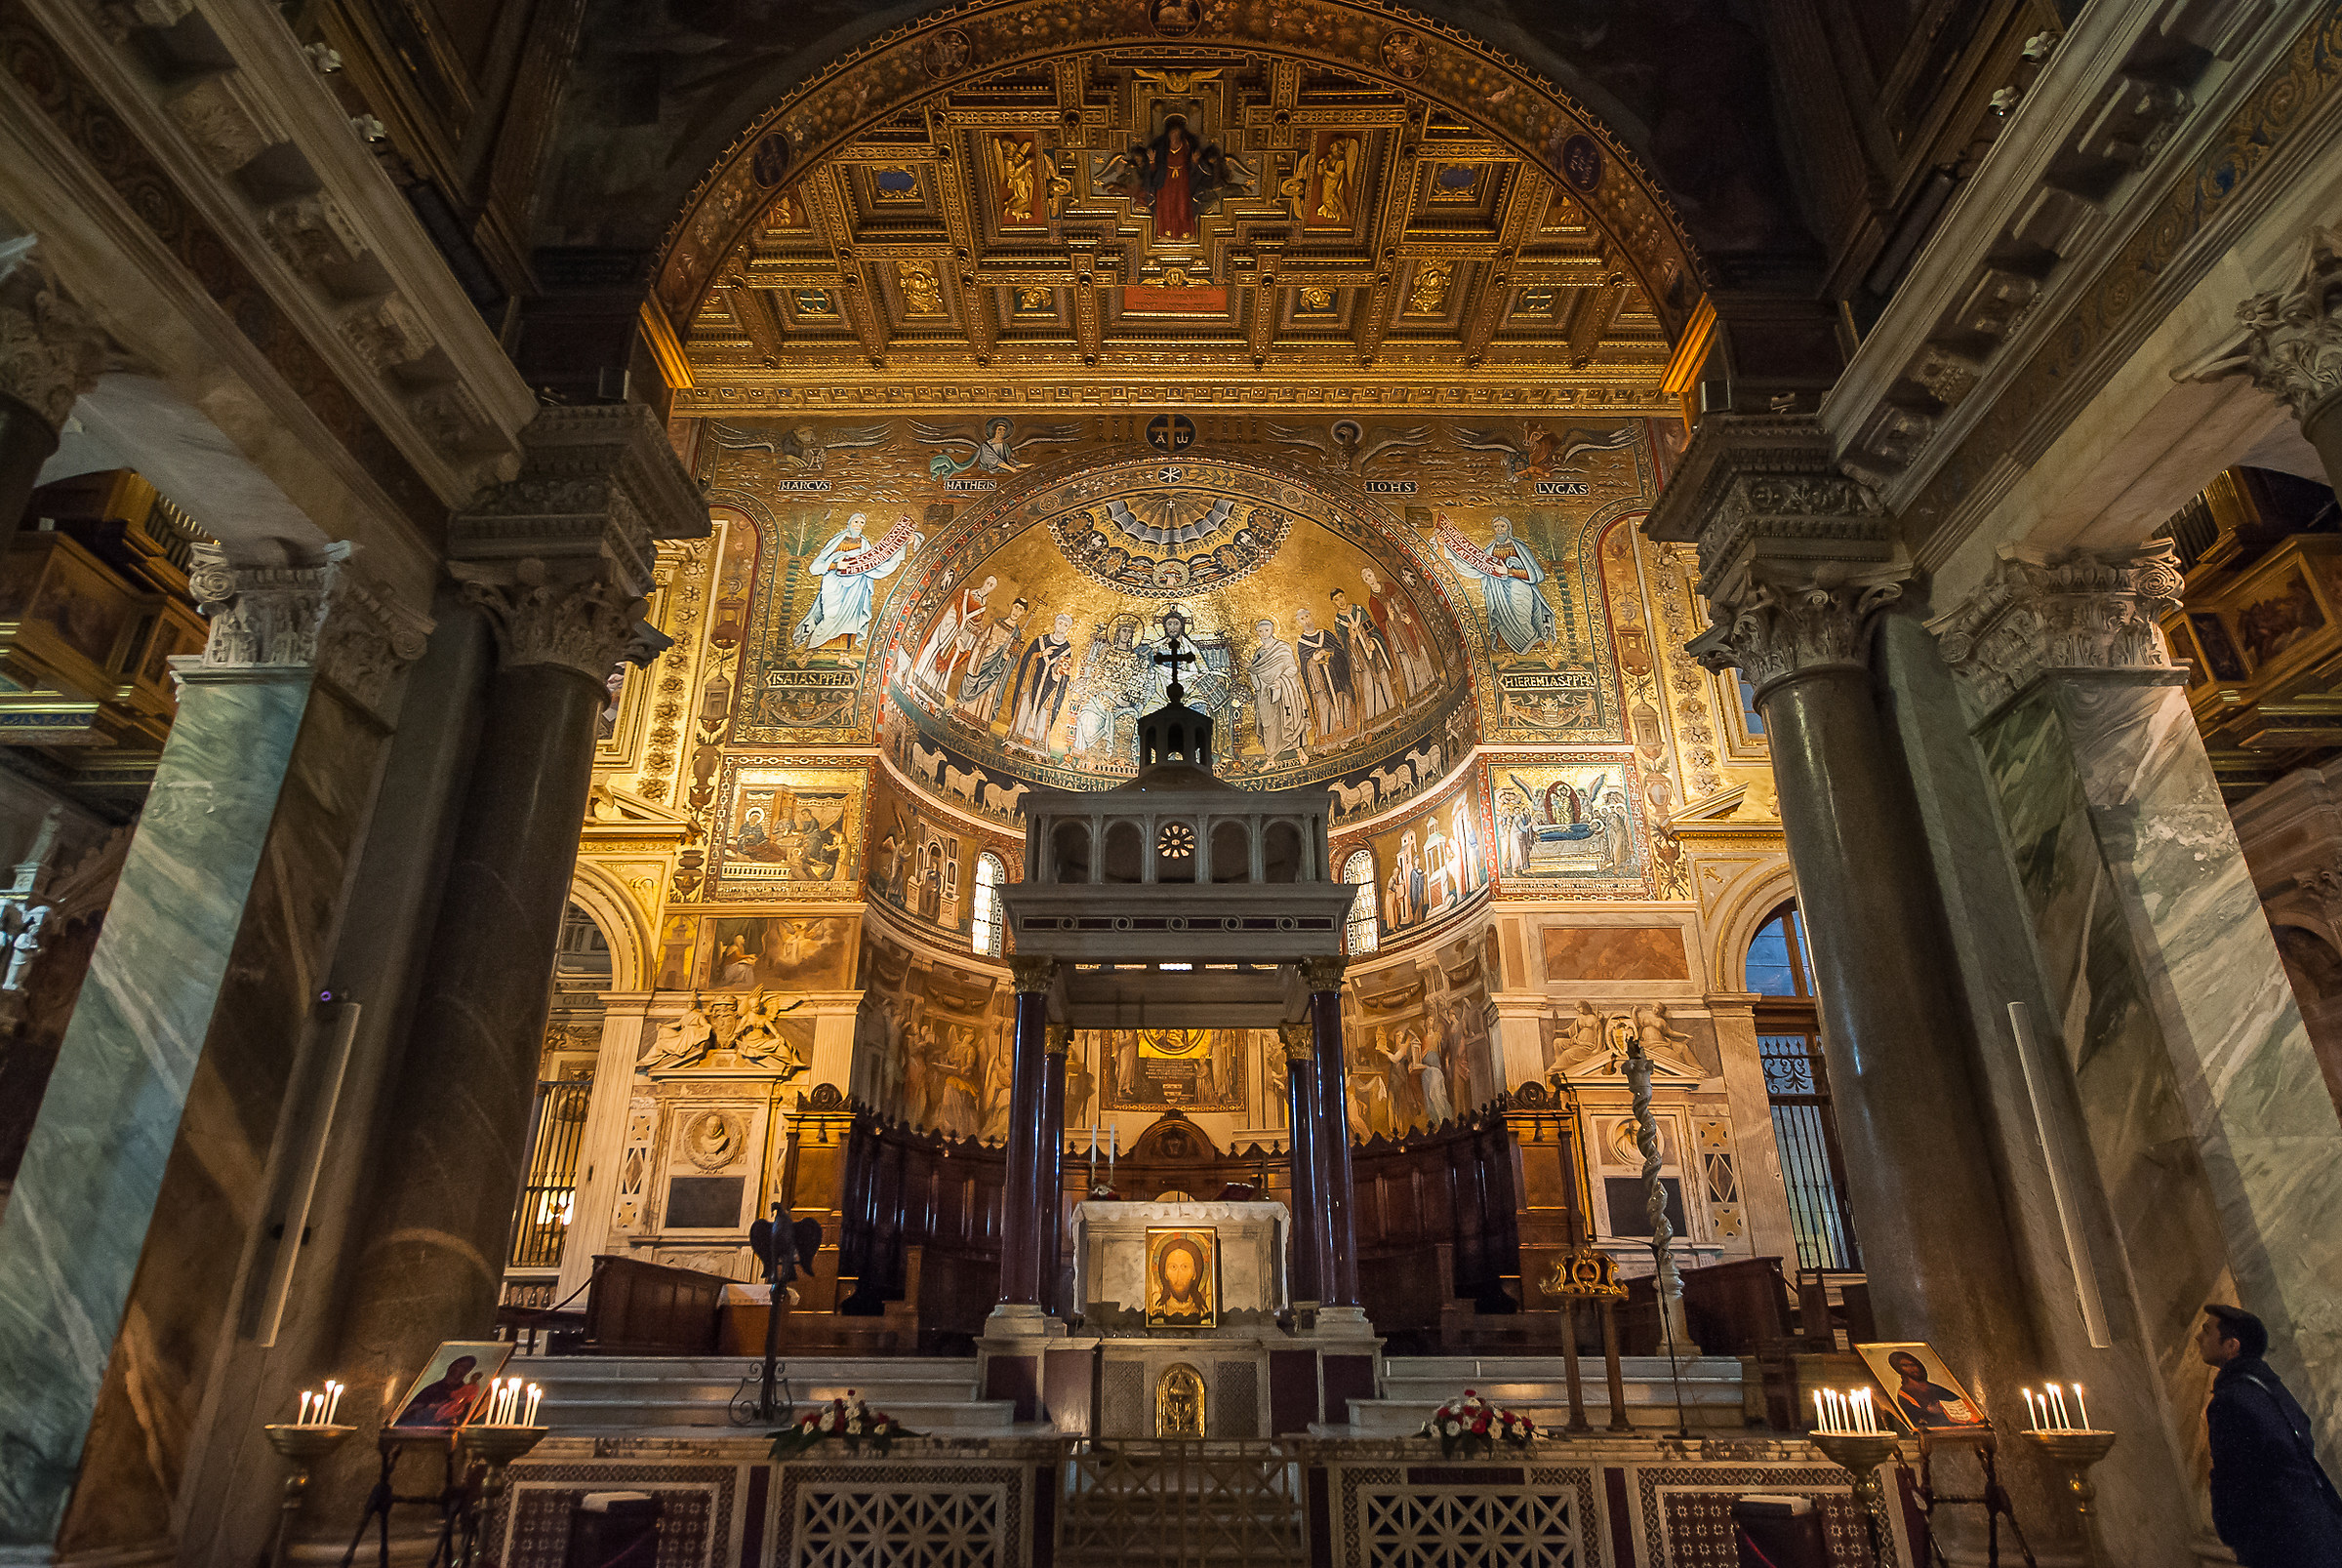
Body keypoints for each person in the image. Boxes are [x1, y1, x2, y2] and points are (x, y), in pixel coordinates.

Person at [2201, 1304, 2342, 1566]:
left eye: (2207, 1330)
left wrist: (2234, 1534)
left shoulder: (2230, 1400)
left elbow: (2231, 1477)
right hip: (2317, 1530)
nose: (2199, 1337)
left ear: (2231, 1346)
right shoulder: (2271, 1388)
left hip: (2279, 1543)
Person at [1884, 1350, 1981, 1429]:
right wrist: (1931, 1411)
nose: (1912, 1368)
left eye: (1913, 1364)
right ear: (1899, 1369)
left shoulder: (1933, 1388)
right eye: (1905, 1366)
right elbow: (1915, 1419)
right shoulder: (1904, 1395)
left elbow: (1958, 1403)